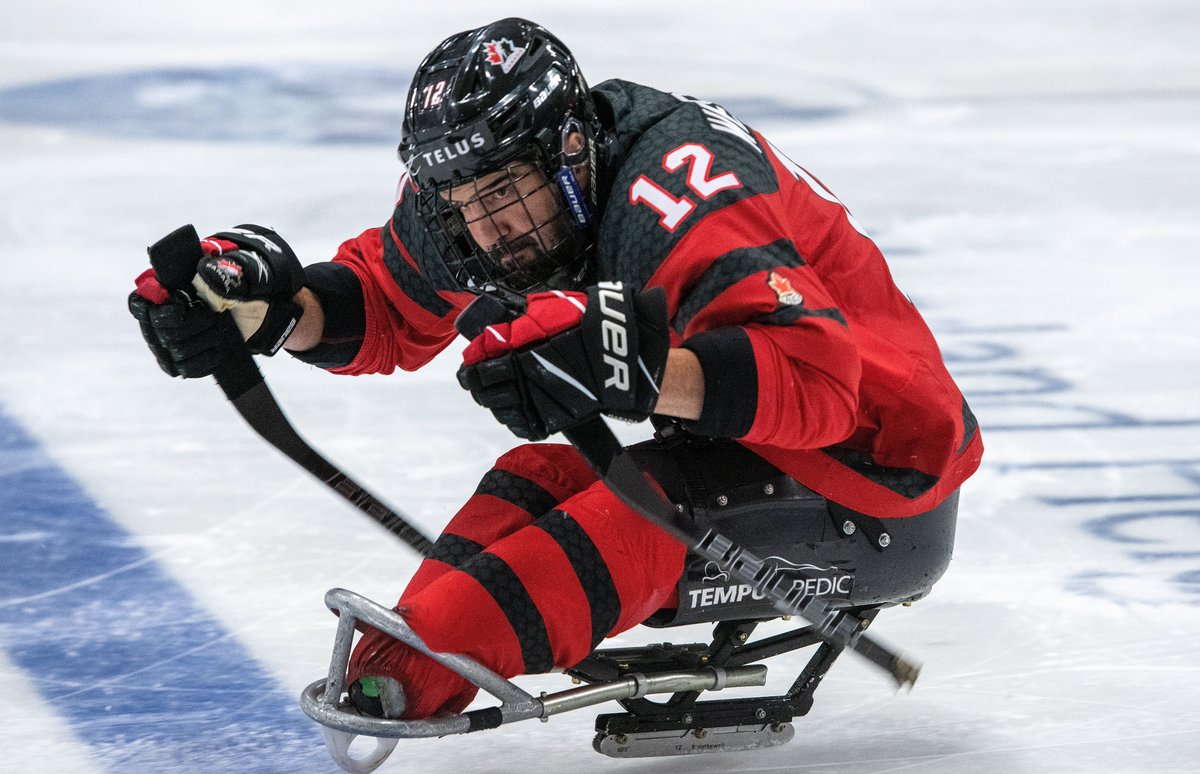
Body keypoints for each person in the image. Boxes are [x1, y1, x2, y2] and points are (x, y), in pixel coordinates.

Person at [129, 17, 982, 721]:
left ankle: (415, 664)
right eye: (460, 202)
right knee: (537, 468)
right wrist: (264, 309)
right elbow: (388, 305)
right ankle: (415, 644)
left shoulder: (681, 191)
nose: (485, 228)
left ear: (571, 146)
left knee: (636, 515)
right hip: (761, 434)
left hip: (880, 476)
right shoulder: (490, 186)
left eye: (501, 194)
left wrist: (622, 364)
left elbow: (822, 388)